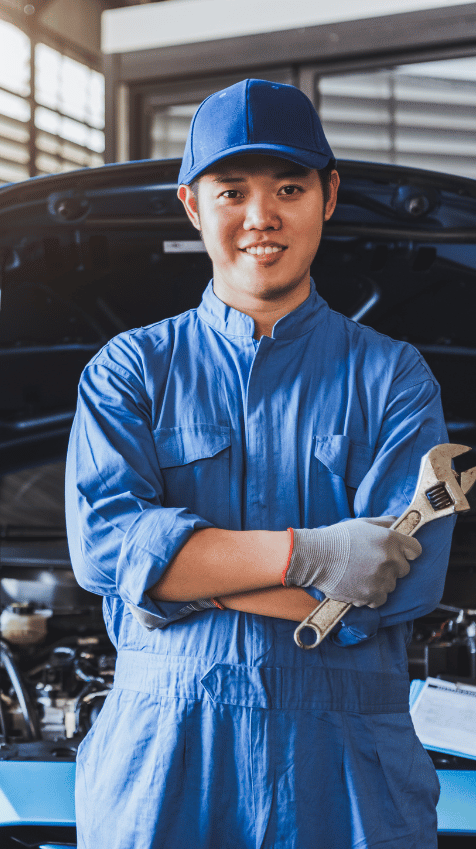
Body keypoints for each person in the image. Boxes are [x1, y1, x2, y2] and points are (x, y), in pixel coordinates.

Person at [65, 79, 456, 849]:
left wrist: (177, 586)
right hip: (162, 757)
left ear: (328, 195)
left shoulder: (394, 377)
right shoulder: (128, 371)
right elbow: (104, 550)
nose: (260, 217)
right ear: (191, 203)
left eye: (288, 187)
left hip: (346, 771)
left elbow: (394, 584)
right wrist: (311, 555)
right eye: (231, 190)